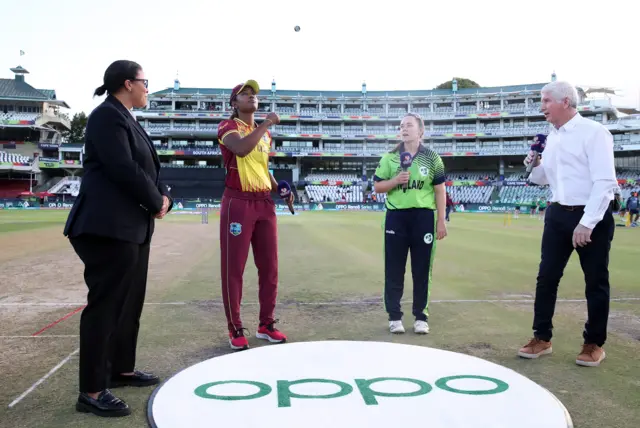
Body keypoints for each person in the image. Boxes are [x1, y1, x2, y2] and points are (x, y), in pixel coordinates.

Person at [63, 60, 173, 417]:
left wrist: (163, 197)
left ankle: (120, 368)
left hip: (132, 228)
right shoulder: (106, 116)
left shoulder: (126, 117)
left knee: (129, 304)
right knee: (106, 306)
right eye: (144, 82)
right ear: (128, 83)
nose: (147, 88)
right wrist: (156, 200)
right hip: (107, 228)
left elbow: (144, 168)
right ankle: (92, 391)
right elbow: (122, 167)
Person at [518, 81, 617, 367]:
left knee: (595, 281)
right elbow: (543, 178)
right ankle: (542, 337)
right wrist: (534, 164)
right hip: (558, 213)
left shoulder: (595, 133)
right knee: (546, 277)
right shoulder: (552, 137)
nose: (542, 106)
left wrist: (587, 223)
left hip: (591, 216)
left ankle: (594, 343)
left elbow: (605, 182)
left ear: (565, 102)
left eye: (546, 100)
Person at [216, 80, 292, 350]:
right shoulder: (228, 127)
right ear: (234, 103)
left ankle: (266, 324)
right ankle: (235, 327)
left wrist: (279, 188)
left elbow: (263, 167)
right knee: (234, 269)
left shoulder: (263, 135)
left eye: (254, 94)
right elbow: (241, 149)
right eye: (244, 95)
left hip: (264, 203)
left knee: (270, 268)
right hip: (238, 201)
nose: (251, 97)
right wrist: (266, 124)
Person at [373, 112, 448, 335]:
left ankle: (421, 317)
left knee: (422, 270)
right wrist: (395, 181)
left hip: (424, 218)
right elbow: (377, 187)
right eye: (401, 126)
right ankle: (394, 317)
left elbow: (439, 190)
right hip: (396, 217)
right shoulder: (390, 157)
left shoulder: (433, 158)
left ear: (420, 130)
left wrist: (441, 221)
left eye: (408, 125)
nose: (404, 129)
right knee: (394, 269)